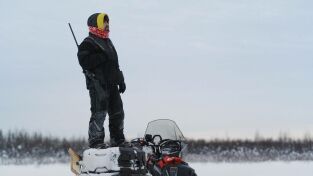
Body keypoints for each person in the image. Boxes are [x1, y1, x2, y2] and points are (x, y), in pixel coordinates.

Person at [77, 13, 126, 148]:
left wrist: (120, 79)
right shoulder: (88, 43)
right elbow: (84, 61)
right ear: (96, 24)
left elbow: (114, 63)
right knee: (99, 113)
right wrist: (101, 57)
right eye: (104, 22)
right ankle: (96, 141)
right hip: (98, 85)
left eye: (107, 22)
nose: (107, 25)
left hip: (112, 84)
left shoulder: (108, 42)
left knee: (118, 112)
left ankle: (118, 140)